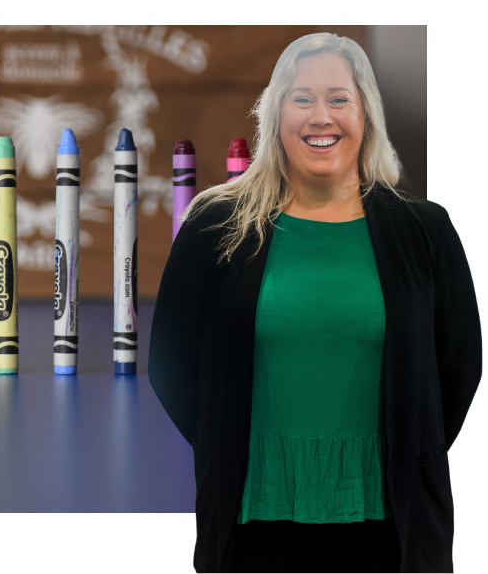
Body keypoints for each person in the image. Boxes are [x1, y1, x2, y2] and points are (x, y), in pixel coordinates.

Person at [148, 33, 481, 573]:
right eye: (301, 99)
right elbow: (170, 364)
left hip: (390, 524)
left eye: (338, 98)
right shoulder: (215, 226)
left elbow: (458, 366)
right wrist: (230, 445)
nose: (320, 116)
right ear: (275, 117)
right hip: (253, 517)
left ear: (366, 114)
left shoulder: (427, 230)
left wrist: (405, 451)